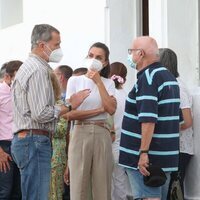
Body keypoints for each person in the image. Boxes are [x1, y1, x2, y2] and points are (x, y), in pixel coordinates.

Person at [11, 24, 90, 200]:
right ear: (41, 45)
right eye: (56, 45)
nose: (59, 49)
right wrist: (70, 105)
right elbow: (41, 113)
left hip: (28, 140)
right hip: (34, 140)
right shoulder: (38, 70)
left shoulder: (29, 67)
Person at [119, 36, 181, 200]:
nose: (130, 55)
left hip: (146, 159)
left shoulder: (148, 78)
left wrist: (144, 152)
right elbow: (177, 118)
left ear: (140, 53)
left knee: (148, 197)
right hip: (165, 157)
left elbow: (148, 119)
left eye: (131, 51)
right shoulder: (169, 77)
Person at [63, 42, 117, 200]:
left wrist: (99, 82)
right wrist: (98, 111)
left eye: (99, 57)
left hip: (102, 133)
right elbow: (69, 114)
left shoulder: (108, 83)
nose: (94, 59)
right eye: (91, 55)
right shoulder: (74, 80)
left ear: (105, 62)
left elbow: (111, 109)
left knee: (102, 185)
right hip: (80, 132)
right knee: (79, 185)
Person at [159, 48, 194, 197]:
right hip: (171, 147)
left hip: (179, 148)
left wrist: (165, 129)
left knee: (174, 191)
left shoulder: (177, 86)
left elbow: (187, 120)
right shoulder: (169, 84)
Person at [108, 62, 132, 200]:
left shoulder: (109, 95)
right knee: (120, 182)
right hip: (124, 144)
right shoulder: (128, 95)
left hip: (109, 141)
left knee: (107, 183)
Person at [49, 66, 73, 200]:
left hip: (58, 152)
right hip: (48, 150)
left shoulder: (64, 102)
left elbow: (62, 129)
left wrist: (44, 124)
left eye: (53, 76)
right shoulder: (51, 100)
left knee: (56, 191)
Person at [0, 60, 22, 200]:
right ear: (7, 77)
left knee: (18, 190)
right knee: (4, 191)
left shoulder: (21, 93)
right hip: (4, 146)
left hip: (20, 144)